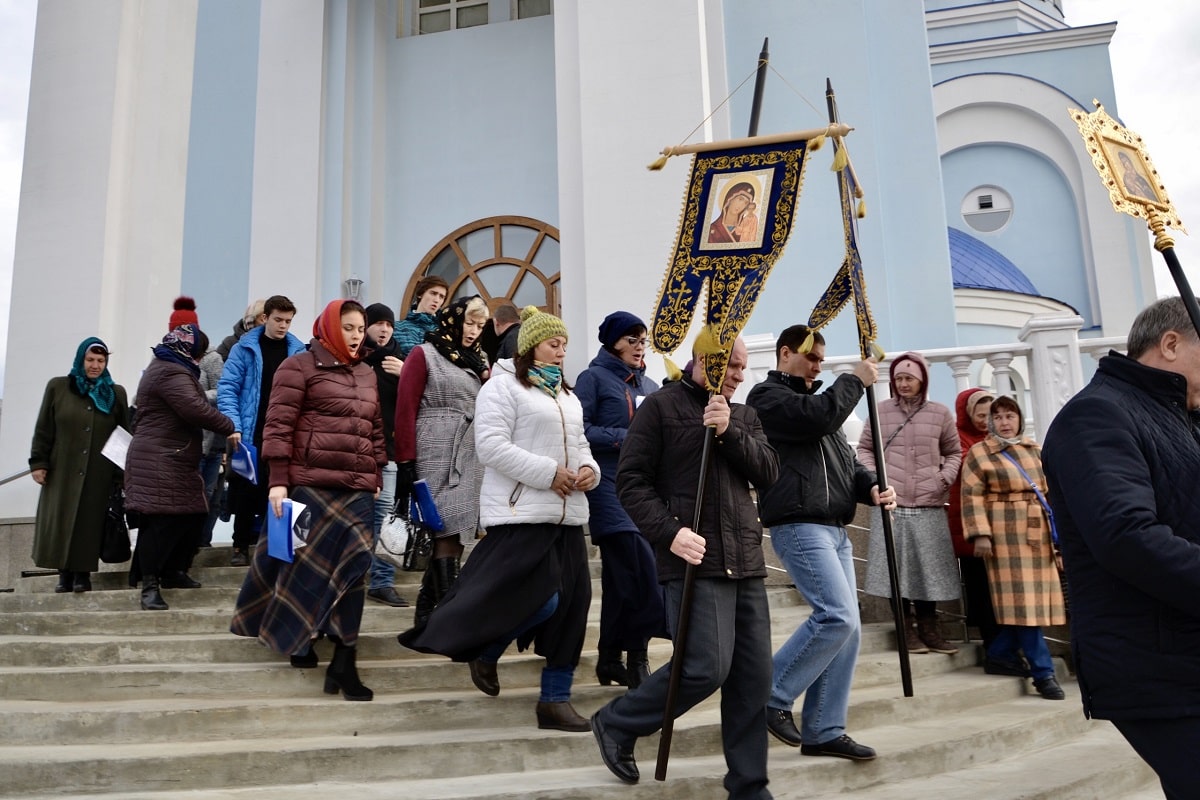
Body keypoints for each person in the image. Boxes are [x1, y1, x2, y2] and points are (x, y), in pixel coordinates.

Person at [591, 336, 779, 796]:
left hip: (746, 561)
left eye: (743, 367)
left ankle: (749, 785)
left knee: (753, 681)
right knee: (704, 668)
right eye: (731, 366)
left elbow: (769, 473)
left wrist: (728, 430)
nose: (738, 375)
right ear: (705, 362)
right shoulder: (659, 407)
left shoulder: (745, 414)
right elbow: (631, 483)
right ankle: (618, 721)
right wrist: (670, 533)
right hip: (694, 560)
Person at [399, 306, 600, 733]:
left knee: (572, 605)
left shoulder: (566, 394)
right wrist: (549, 474)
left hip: (566, 516)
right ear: (530, 347)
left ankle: (555, 700)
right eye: (553, 344)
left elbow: (581, 444)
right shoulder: (502, 388)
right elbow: (490, 446)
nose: (562, 351)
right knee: (540, 599)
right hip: (521, 511)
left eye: (564, 344)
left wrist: (589, 471)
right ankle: (487, 650)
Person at [1043, 296, 1200, 799]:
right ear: (1171, 344)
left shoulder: (1182, 418)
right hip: (1155, 662)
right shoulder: (1096, 414)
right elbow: (1126, 537)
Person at [747, 325, 893, 762]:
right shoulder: (767, 399)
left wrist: (869, 487)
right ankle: (770, 696)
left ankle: (824, 729)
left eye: (821, 360)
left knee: (847, 632)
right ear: (785, 353)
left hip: (835, 527)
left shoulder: (819, 404)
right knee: (837, 616)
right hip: (798, 523)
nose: (817, 365)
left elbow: (847, 461)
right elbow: (816, 420)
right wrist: (854, 379)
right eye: (810, 358)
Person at [231, 299, 386, 701]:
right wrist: (278, 482)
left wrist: (376, 474)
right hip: (310, 485)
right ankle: (301, 638)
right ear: (331, 327)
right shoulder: (297, 367)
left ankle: (344, 661)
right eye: (348, 328)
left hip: (356, 489)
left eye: (359, 328)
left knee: (356, 571)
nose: (355, 336)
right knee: (304, 572)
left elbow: (375, 429)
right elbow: (278, 425)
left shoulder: (368, 373)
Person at [575, 310, 664, 689]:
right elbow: (580, 429)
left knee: (620, 580)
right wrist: (626, 439)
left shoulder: (653, 385)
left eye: (643, 340)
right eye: (632, 339)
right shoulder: (592, 379)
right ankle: (639, 656)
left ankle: (611, 658)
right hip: (608, 486)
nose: (639, 346)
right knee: (641, 571)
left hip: (645, 490)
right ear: (613, 342)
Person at [394, 295, 490, 627]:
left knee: (457, 531)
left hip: (469, 451)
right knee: (444, 529)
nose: (474, 331)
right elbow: (405, 407)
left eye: (480, 326)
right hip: (433, 447)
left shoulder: (479, 359)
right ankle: (451, 617)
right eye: (469, 323)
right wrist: (406, 460)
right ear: (454, 320)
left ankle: (426, 612)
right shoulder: (425, 353)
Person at [856, 352, 962, 655]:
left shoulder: (940, 413)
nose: (903, 384)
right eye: (898, 378)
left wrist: (942, 480)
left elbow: (954, 452)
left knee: (929, 570)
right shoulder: (881, 411)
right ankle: (905, 628)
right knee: (896, 569)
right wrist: (877, 477)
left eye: (909, 378)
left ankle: (930, 627)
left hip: (928, 503)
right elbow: (865, 449)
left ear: (922, 381)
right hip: (893, 503)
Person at [961, 395, 1065, 699]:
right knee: (1022, 606)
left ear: (1020, 418)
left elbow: (1051, 493)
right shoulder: (980, 453)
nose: (1005, 423)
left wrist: (1060, 541)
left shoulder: (1034, 449)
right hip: (1004, 537)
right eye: (999, 417)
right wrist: (980, 534)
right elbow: (971, 495)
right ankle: (1043, 674)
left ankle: (999, 653)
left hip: (1038, 536)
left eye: (1010, 416)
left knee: (1032, 606)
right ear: (990, 422)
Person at [125, 325, 235, 610]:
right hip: (160, 458)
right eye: (199, 351)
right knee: (161, 521)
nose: (200, 358)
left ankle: (174, 570)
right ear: (189, 349)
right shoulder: (170, 371)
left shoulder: (169, 366)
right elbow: (194, 408)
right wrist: (230, 425)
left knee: (192, 514)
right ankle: (150, 584)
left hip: (174, 456)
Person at [29, 338, 131, 594]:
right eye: (90, 360)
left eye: (101, 360)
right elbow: (44, 427)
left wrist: (120, 475)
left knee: (89, 523)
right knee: (61, 521)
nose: (95, 366)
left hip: (99, 471)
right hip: (62, 468)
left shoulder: (114, 393)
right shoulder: (58, 387)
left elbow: (123, 434)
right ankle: (64, 574)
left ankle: (82, 574)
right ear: (80, 360)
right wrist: (38, 462)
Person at [217, 295, 305, 566]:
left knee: (282, 488)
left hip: (284, 432)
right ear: (265, 317)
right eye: (278, 320)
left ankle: (278, 548)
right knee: (245, 488)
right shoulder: (244, 348)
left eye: (288, 321)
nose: (283, 326)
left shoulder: (298, 352)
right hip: (251, 430)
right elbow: (228, 387)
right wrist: (234, 424)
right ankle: (239, 547)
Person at [946, 388, 1002, 655]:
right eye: (980, 415)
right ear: (967, 413)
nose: (985, 420)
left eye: (989, 415)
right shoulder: (958, 438)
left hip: (999, 524)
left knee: (998, 591)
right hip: (970, 523)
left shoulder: (997, 437)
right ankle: (992, 649)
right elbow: (972, 466)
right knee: (980, 587)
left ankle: (1001, 648)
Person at [360, 302, 409, 608]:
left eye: (388, 324)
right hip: (354, 450)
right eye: (377, 323)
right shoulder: (355, 358)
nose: (383, 329)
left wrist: (406, 375)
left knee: (385, 517)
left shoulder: (401, 360)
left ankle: (381, 581)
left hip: (389, 452)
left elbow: (421, 401)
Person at [393, 276, 449, 357]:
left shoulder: (445, 332)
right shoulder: (397, 328)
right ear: (420, 294)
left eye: (441, 297)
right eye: (433, 293)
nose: (436, 300)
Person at [707, 181, 756, 245]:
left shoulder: (746, 229)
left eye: (746, 203)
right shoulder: (713, 229)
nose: (741, 205)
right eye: (740, 199)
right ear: (730, 199)